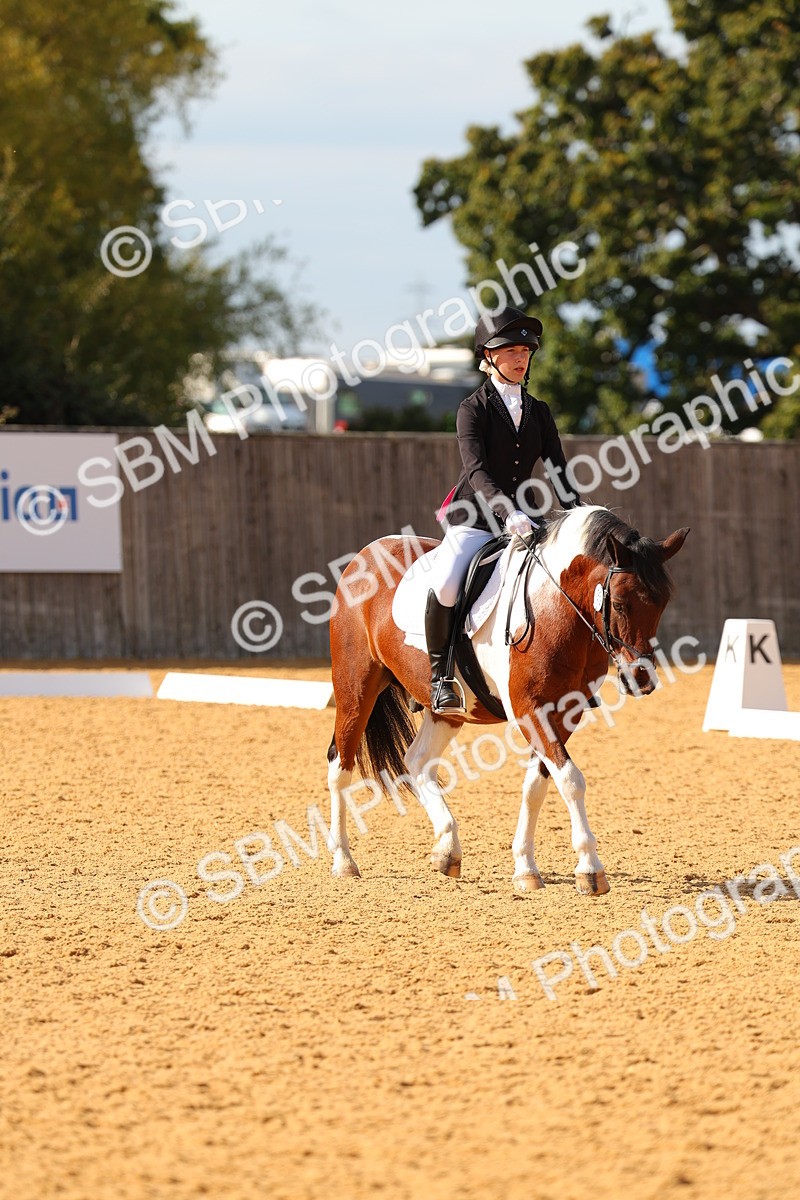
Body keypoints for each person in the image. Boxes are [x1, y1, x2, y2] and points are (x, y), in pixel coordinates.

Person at [425, 305, 580, 715]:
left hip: (526, 520)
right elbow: (476, 469)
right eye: (510, 351)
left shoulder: (540, 412)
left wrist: (581, 512)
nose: (520, 357)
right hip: (475, 517)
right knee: (445, 583)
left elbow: (559, 471)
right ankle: (440, 677)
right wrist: (506, 511)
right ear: (488, 358)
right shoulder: (471, 409)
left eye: (526, 351)